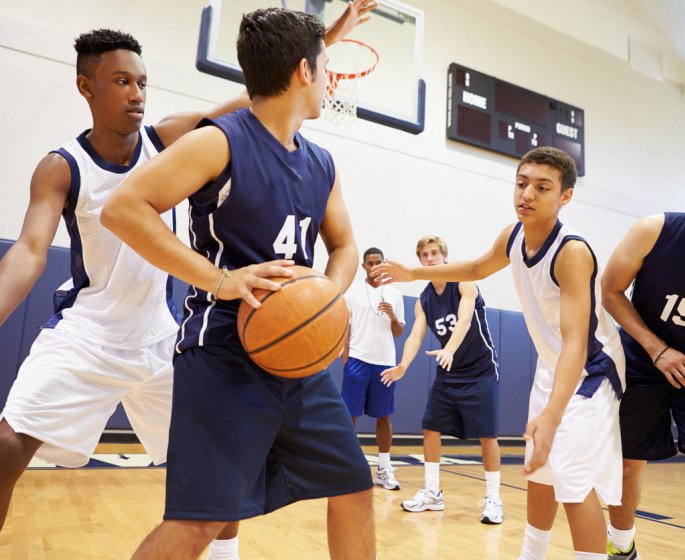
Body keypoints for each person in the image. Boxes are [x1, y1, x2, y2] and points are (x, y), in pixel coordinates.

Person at [0, 3, 374, 559]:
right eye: (122, 81)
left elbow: (266, 102)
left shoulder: (182, 138)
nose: (136, 93)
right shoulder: (171, 149)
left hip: (183, 338)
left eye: (142, 82)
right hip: (150, 339)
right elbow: (52, 242)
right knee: (194, 514)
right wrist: (222, 280)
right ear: (87, 87)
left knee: (326, 491)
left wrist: (324, 298)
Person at [373, 147, 625, 560]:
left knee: (573, 480)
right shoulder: (513, 235)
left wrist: (553, 412)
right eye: (522, 183)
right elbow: (474, 268)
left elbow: (577, 342)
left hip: (591, 370)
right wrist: (415, 273)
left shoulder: (572, 253)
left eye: (542, 187)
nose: (527, 193)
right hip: (553, 364)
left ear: (565, 197)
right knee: (540, 471)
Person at [379, 235, 503, 524]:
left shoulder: (463, 281)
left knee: (487, 435)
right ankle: (433, 492)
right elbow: (415, 335)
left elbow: (465, 320)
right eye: (424, 255)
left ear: (444, 256)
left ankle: (493, 498)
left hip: (480, 370)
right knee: (430, 428)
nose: (430, 258)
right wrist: (403, 365)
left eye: (435, 253)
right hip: (449, 373)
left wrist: (450, 348)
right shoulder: (423, 299)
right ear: (420, 260)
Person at [600, 212, 685, 560]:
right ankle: (621, 548)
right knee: (629, 462)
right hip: (643, 355)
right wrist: (658, 349)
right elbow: (609, 290)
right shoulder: (655, 230)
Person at [341, 247, 405, 491]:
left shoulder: (395, 294)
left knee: (383, 415)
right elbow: (345, 325)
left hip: (385, 362)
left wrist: (391, 317)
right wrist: (345, 355)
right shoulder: (353, 292)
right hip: (357, 358)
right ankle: (347, 467)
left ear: (383, 263)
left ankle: (384, 468)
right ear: (364, 266)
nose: (374, 266)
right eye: (370, 263)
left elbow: (399, 332)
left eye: (378, 262)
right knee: (350, 414)